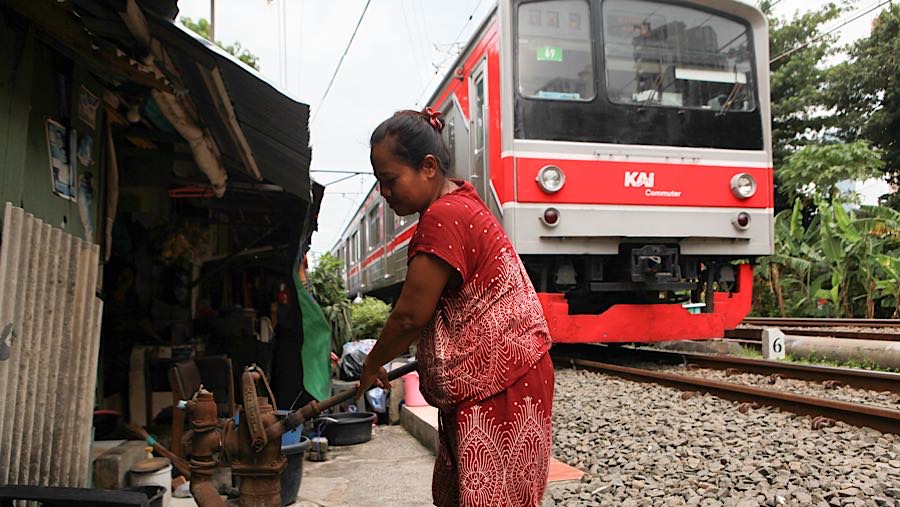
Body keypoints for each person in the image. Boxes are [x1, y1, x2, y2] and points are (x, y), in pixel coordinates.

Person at [357, 107, 554, 506]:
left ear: (428, 167)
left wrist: (371, 363)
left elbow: (410, 316)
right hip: (502, 378)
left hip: (502, 383)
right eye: (380, 182)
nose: (384, 193)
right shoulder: (459, 202)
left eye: (390, 180)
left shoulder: (443, 216)